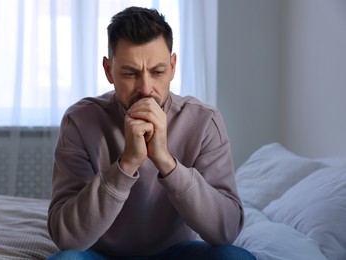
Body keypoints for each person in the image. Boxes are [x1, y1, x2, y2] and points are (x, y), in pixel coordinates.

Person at [47, 6, 255, 260]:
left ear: (173, 66)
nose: (146, 89)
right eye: (130, 73)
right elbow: (67, 238)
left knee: (234, 257)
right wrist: (126, 165)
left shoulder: (204, 121)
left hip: (177, 253)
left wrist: (165, 161)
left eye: (158, 72)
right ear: (109, 70)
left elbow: (226, 231)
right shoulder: (79, 122)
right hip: (101, 254)